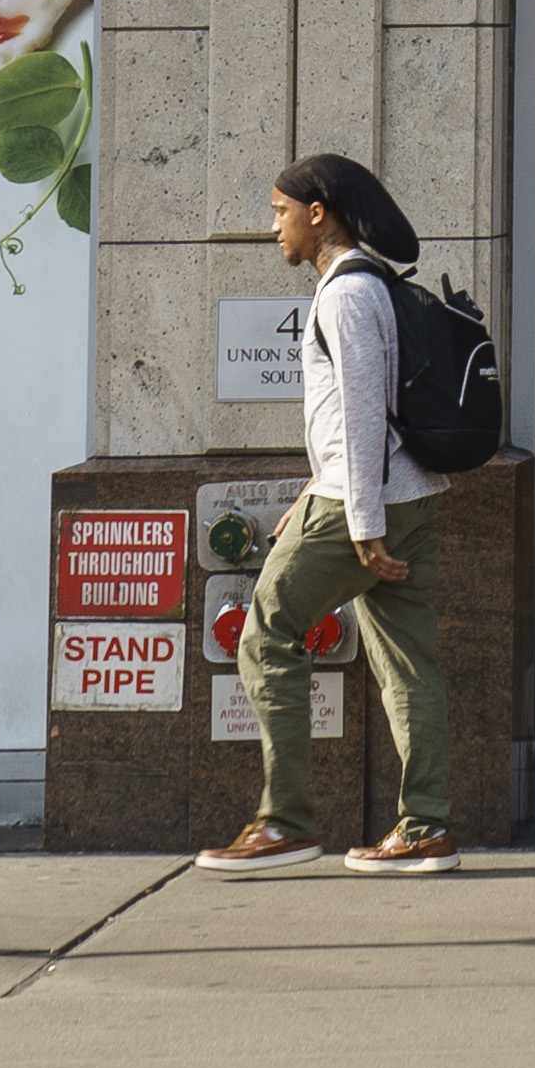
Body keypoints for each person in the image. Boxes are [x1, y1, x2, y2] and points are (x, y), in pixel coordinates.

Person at [196, 151, 460, 878]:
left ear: (319, 214)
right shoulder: (368, 285)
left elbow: (364, 408)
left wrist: (358, 521)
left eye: (281, 212)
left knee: (266, 633)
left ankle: (284, 821)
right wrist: (315, 491)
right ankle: (424, 827)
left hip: (360, 504)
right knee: (409, 668)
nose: (272, 226)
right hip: (389, 496)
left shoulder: (345, 294)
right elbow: (353, 415)